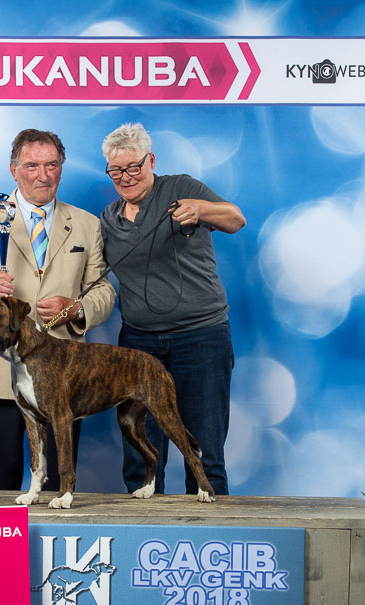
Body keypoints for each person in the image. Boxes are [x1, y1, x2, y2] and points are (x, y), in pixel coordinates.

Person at [0, 128, 115, 491]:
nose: (43, 175)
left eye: (52, 165)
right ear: (13, 169)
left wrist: (77, 309)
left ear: (61, 168)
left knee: (59, 489)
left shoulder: (87, 224)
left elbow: (103, 292)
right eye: (32, 166)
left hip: (63, 379)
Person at [100, 122, 246, 497]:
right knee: (141, 454)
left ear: (151, 161)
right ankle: (144, 528)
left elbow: (235, 219)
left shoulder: (180, 188)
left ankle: (211, 527)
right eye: (116, 171)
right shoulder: (109, 218)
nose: (126, 177)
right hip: (138, 343)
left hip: (202, 338)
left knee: (204, 451)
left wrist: (201, 209)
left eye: (134, 167)